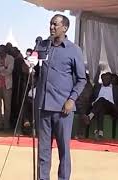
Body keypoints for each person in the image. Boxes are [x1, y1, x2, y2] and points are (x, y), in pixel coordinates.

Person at [36, 14, 86, 180]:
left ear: (65, 28)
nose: (51, 27)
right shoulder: (42, 45)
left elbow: (81, 79)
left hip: (63, 108)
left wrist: (72, 100)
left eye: (55, 24)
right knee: (43, 150)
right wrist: (28, 63)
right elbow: (35, 69)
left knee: (63, 149)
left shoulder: (74, 50)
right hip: (43, 105)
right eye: (50, 24)